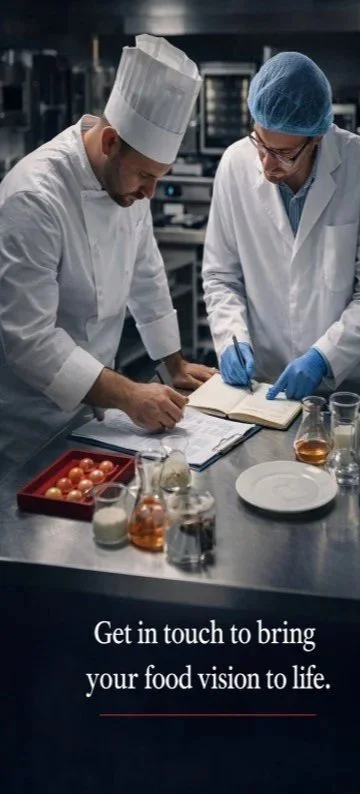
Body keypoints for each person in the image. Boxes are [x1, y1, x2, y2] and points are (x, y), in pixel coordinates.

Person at [0, 34, 216, 475]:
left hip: (95, 416)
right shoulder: (33, 198)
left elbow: (145, 270)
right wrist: (129, 394)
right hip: (29, 428)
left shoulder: (128, 184)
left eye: (161, 177)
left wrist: (172, 363)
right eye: (145, 176)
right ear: (110, 141)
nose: (150, 192)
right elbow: (29, 339)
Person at [202, 51, 360, 402]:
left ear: (317, 138)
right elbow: (221, 276)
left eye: (284, 154)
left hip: (348, 383)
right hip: (267, 384)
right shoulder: (234, 164)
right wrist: (233, 338)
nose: (266, 165)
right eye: (260, 144)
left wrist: (323, 357)